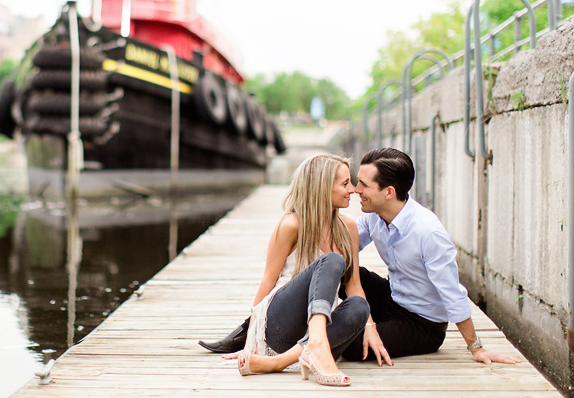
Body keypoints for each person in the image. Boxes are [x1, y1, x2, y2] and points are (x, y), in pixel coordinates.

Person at [201, 154, 371, 386]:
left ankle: (283, 361)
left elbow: (355, 287)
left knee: (360, 306)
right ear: (321, 188)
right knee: (331, 260)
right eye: (344, 184)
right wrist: (250, 342)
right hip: (281, 326)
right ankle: (314, 345)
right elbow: (268, 281)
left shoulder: (348, 228)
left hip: (316, 331)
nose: (352, 189)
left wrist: (370, 328)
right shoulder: (291, 225)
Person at [343, 147, 520, 366]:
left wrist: (476, 347)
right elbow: (343, 248)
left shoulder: (428, 232)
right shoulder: (374, 217)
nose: (355, 190)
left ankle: (352, 327)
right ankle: (317, 323)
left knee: (352, 346)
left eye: (363, 185)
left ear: (388, 192)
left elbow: (452, 293)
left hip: (422, 324)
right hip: (393, 298)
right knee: (339, 268)